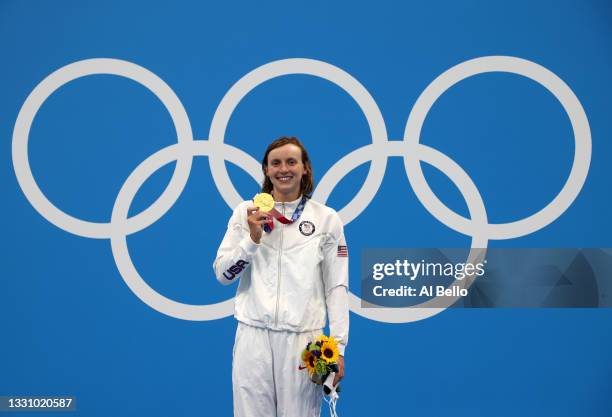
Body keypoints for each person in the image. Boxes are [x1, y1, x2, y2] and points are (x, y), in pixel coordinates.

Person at [213, 136, 349, 417]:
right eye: (275, 163)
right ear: (266, 170)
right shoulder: (246, 212)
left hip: (303, 342)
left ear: (305, 169)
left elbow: (336, 286)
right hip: (253, 337)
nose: (283, 169)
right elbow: (223, 275)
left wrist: (338, 346)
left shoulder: (326, 219)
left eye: (291, 162)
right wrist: (251, 240)